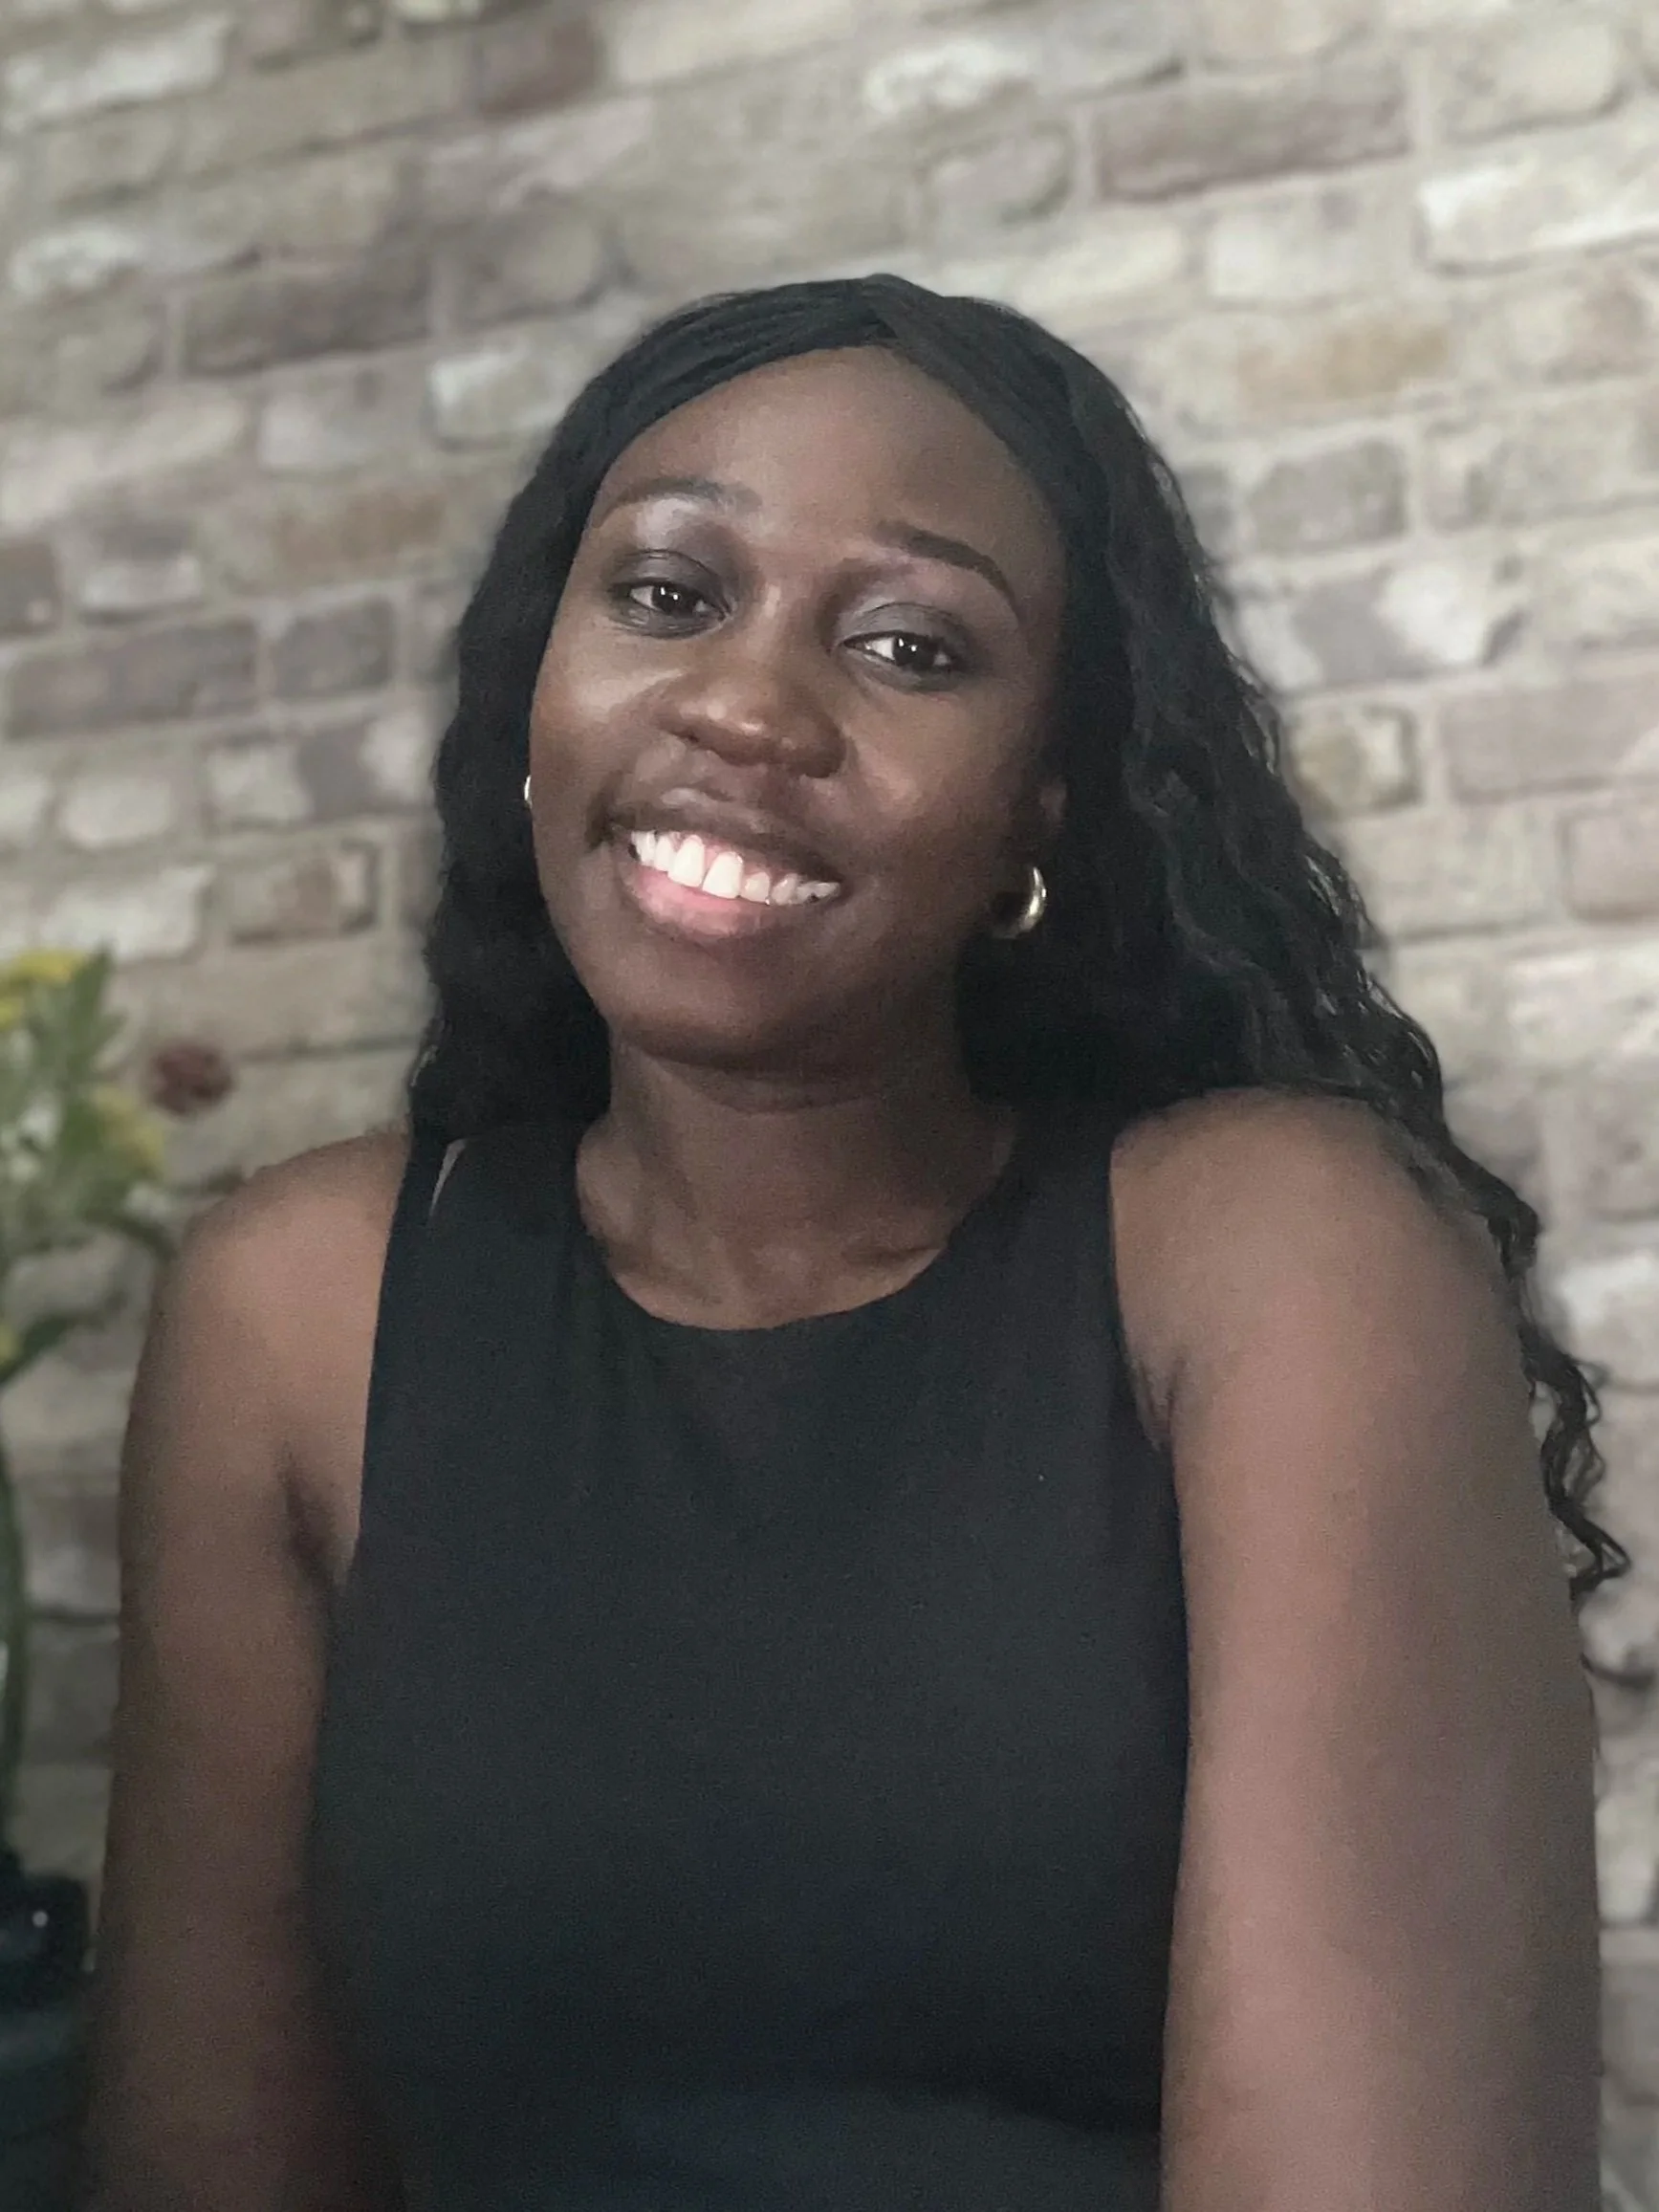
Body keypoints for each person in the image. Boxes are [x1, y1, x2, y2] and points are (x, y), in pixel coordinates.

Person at [78, 276, 1618, 2212]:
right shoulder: (297, 1314)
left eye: (909, 645)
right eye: (663, 596)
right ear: (533, 704)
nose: (744, 705)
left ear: (1035, 810)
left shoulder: (1274, 1265)